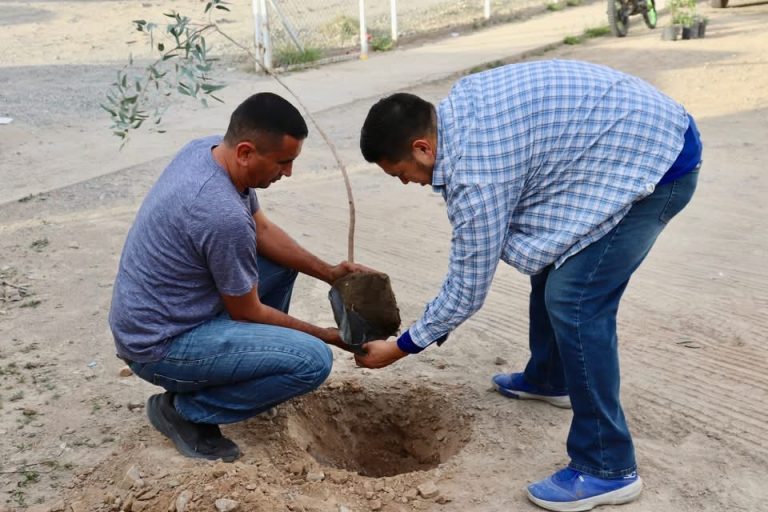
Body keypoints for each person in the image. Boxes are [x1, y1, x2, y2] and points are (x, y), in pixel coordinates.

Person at [356, 60, 702, 511]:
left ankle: (607, 466)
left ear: (422, 148)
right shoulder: (458, 111)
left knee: (574, 299)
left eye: (401, 173)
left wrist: (402, 346)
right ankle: (550, 378)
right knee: (556, 252)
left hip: (659, 162)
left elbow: (467, 288)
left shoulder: (476, 174)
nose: (407, 183)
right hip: (625, 138)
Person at [109, 92, 368, 462]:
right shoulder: (219, 213)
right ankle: (184, 412)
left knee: (281, 263)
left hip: (170, 313)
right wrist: (328, 335)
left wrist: (330, 274)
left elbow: (262, 230)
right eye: (283, 162)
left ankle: (252, 367)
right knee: (313, 361)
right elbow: (249, 311)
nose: (288, 173)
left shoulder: (208, 151)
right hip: (159, 346)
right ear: (246, 152)